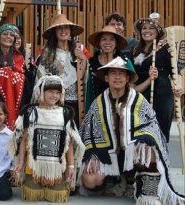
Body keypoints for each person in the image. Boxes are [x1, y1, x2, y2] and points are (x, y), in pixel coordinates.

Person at [78, 57, 185, 204]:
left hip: (133, 154)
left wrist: (143, 141)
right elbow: (87, 133)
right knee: (90, 180)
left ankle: (148, 192)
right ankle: (115, 181)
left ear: (127, 78)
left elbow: (153, 129)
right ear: (107, 78)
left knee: (146, 148)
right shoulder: (98, 103)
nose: (117, 77)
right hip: (109, 156)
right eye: (113, 73)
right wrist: (93, 154)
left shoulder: (139, 100)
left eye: (121, 73)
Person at [11, 75, 85, 203]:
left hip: (57, 168)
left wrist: (71, 166)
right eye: (50, 91)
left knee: (57, 197)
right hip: (33, 167)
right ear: (40, 91)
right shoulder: (31, 112)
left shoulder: (65, 113)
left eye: (58, 92)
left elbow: (70, 144)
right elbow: (23, 140)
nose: (54, 95)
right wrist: (21, 163)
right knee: (31, 196)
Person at [132, 18, 183, 142]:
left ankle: (160, 160)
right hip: (141, 96)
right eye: (144, 28)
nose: (147, 31)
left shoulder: (165, 49)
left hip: (162, 96)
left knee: (159, 134)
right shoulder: (134, 51)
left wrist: (179, 86)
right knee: (141, 135)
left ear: (157, 32)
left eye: (151, 28)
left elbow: (177, 72)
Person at [36, 14, 87, 127]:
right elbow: (42, 80)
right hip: (55, 102)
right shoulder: (47, 55)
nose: (63, 31)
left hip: (76, 101)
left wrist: (83, 59)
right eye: (59, 28)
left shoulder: (77, 52)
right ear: (54, 32)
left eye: (66, 27)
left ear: (70, 31)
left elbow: (82, 76)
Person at [85, 25, 128, 112]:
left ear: (116, 43)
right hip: (97, 109)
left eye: (111, 39)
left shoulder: (124, 61)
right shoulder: (91, 63)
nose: (107, 42)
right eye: (104, 39)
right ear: (99, 43)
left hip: (120, 108)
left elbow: (131, 86)